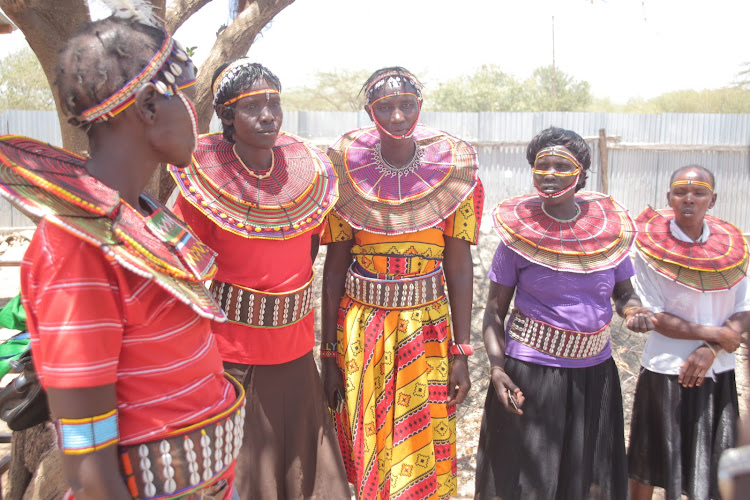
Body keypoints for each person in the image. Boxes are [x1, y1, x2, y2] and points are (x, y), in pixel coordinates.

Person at [0, 10, 244, 500]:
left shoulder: (144, 217)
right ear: (150, 105)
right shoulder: (77, 250)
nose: (198, 114)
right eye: (188, 96)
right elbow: (88, 456)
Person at [168, 58, 349, 499]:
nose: (268, 114)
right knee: (248, 479)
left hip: (296, 354)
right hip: (233, 360)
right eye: (252, 106)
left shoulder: (306, 175)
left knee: (308, 477)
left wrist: (326, 353)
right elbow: (177, 268)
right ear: (227, 116)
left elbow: (307, 256)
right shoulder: (201, 182)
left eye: (274, 103)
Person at [320, 67, 484, 499]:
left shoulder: (455, 175)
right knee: (370, 440)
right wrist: (329, 352)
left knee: (419, 444)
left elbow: (460, 266)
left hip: (426, 328)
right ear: (370, 111)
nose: (397, 115)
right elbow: (334, 267)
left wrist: (462, 351)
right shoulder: (343, 175)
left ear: (420, 106)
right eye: (385, 107)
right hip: (362, 328)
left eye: (406, 104)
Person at [474, 126, 652, 500]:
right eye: (542, 166)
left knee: (584, 479)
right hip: (531, 375)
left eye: (561, 165)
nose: (550, 174)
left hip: (595, 376)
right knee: (529, 483)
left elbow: (624, 292)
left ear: (581, 173)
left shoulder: (608, 233)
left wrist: (633, 310)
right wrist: (496, 368)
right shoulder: (517, 237)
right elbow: (493, 311)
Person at [627, 165, 750, 500]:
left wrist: (710, 348)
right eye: (681, 191)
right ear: (669, 197)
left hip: (718, 370)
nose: (689, 199)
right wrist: (719, 335)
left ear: (713, 199)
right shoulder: (649, 251)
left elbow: (744, 309)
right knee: (649, 463)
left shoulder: (733, 250)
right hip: (666, 369)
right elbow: (655, 315)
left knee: (711, 464)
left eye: (699, 192)